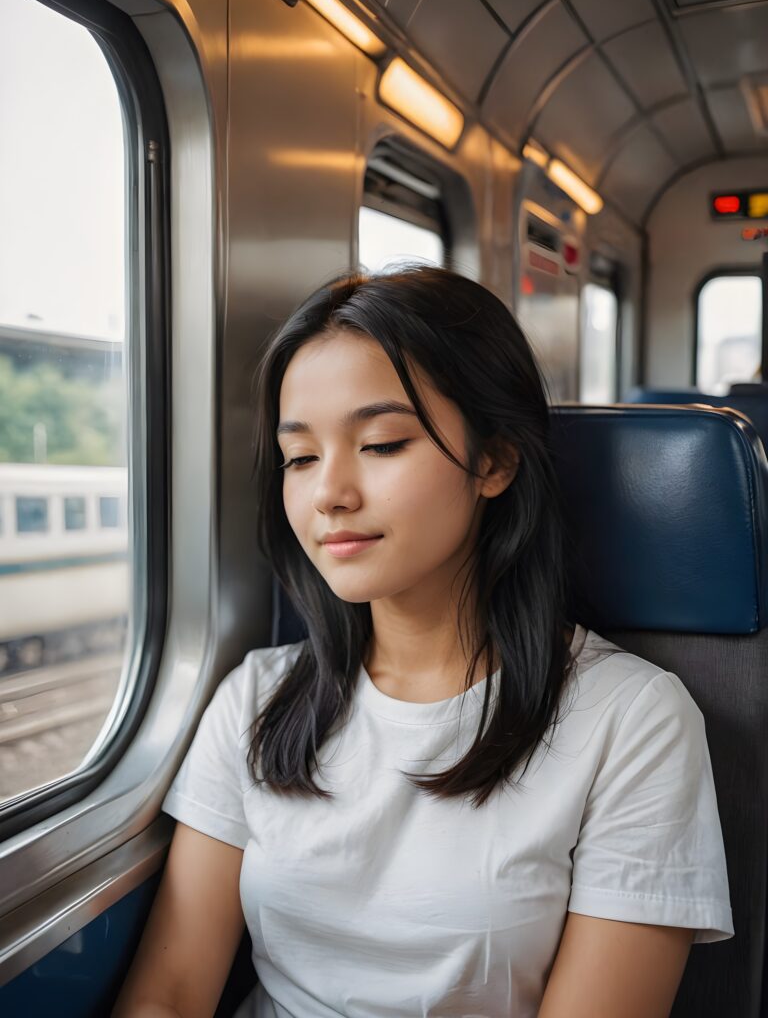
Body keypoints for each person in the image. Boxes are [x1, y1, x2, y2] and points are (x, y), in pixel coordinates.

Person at [112, 266, 733, 1018]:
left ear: (495, 461)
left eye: (380, 444)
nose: (329, 493)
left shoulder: (632, 721)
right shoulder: (257, 698)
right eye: (301, 458)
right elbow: (169, 995)